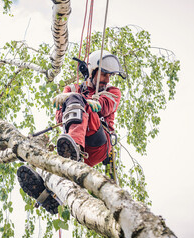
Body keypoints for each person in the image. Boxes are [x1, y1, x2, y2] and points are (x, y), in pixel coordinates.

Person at [17, 50, 126, 214]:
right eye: (104, 74)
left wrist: (81, 101)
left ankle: (73, 152)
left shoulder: (112, 92)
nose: (107, 79)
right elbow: (60, 119)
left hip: (98, 142)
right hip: (75, 140)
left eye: (110, 76)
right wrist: (67, 101)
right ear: (91, 71)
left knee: (75, 100)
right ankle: (48, 195)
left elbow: (105, 106)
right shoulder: (72, 88)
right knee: (45, 156)